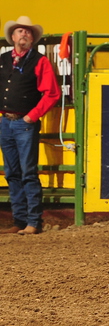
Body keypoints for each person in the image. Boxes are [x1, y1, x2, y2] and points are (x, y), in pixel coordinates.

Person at [0, 16, 59, 235]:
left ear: (32, 38)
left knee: (27, 172)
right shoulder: (3, 59)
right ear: (13, 37)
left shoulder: (40, 61)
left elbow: (52, 93)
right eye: (19, 31)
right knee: (12, 172)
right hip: (6, 122)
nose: (23, 34)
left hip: (24, 123)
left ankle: (33, 221)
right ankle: (20, 220)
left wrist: (32, 116)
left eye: (27, 32)